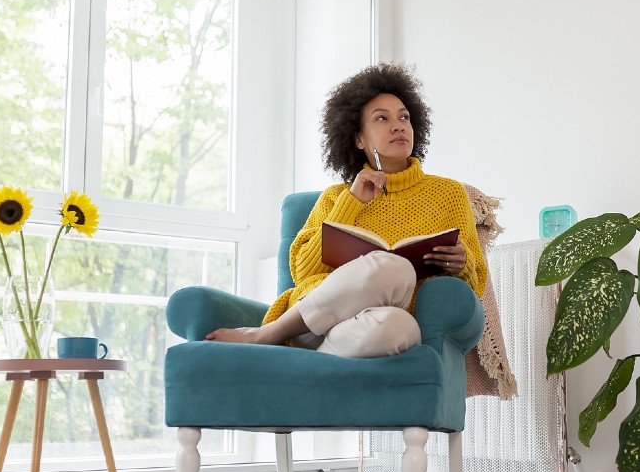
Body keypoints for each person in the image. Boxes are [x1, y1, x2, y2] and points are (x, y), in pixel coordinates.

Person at [206, 62, 487, 357]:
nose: (398, 125)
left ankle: (313, 369)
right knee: (394, 267)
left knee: (401, 328)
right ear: (358, 139)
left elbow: (476, 282)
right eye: (382, 118)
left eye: (404, 117)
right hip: (308, 326)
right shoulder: (336, 197)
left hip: (374, 327)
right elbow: (303, 272)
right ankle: (270, 333)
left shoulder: (448, 193)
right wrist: (351, 203)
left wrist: (462, 264)